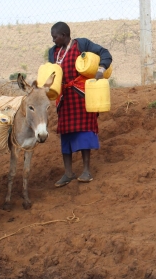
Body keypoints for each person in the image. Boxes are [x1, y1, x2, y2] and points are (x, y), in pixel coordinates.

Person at [47, 21, 112, 187]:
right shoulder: (53, 52)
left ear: (63, 35)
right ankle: (68, 173)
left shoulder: (81, 44)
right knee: (66, 134)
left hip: (81, 96)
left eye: (55, 37)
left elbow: (105, 54)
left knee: (84, 132)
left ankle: (86, 171)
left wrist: (100, 70)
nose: (53, 40)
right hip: (64, 99)